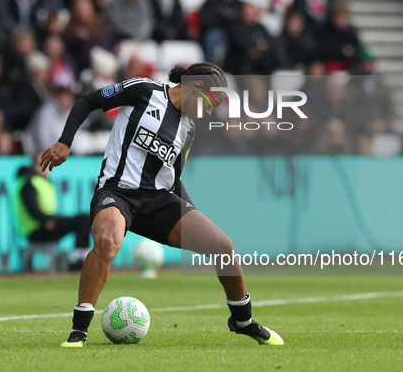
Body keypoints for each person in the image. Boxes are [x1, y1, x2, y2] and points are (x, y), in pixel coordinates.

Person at [40, 62, 284, 347]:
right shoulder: (143, 90)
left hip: (158, 199)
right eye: (210, 103)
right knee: (107, 242)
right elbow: (89, 101)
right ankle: (79, 331)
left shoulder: (188, 129)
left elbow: (173, 177)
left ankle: (243, 321)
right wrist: (65, 142)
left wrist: (189, 211)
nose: (209, 112)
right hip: (117, 192)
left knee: (223, 246)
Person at [15, 155, 91, 270]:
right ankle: (78, 259)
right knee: (83, 219)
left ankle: (81, 256)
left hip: (44, 224)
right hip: (36, 229)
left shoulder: (40, 182)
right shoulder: (29, 184)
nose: (46, 168)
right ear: (35, 166)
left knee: (83, 219)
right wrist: (47, 219)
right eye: (43, 164)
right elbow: (33, 210)